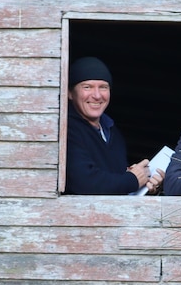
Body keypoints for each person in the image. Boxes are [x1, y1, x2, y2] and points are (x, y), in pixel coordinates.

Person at [64, 56, 164, 195]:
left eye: (103, 87)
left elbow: (116, 181)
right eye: (87, 87)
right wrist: (132, 180)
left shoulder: (112, 131)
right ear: (70, 93)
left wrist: (145, 182)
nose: (97, 95)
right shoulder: (66, 130)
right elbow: (84, 182)